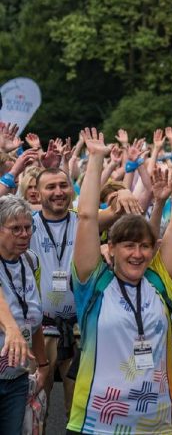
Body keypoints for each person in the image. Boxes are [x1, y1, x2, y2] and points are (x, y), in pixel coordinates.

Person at [67, 127, 172, 434]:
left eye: (145, 246)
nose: (137, 254)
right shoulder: (93, 283)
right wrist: (96, 158)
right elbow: (86, 218)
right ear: (111, 247)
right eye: (128, 245)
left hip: (156, 423)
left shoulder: (159, 281)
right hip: (97, 424)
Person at [29, 167, 79, 422]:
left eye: (63, 185)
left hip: (78, 331)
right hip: (40, 332)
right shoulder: (27, 224)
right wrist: (12, 172)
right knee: (36, 410)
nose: (58, 192)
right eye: (50, 187)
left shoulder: (85, 220)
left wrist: (123, 193)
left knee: (79, 411)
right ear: (37, 194)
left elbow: (125, 211)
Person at [0, 195, 47, 434]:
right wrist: (11, 328)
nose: (24, 234)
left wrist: (43, 364)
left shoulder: (30, 260)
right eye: (15, 229)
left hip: (17, 377)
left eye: (28, 228)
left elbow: (34, 318)